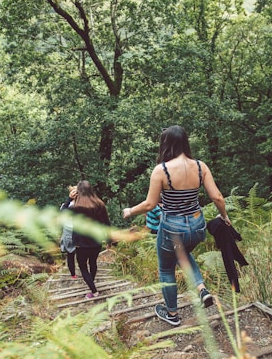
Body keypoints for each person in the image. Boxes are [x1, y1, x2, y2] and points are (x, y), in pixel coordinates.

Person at [123, 125, 231, 326]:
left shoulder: (161, 170)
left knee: (166, 268)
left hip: (173, 227)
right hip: (198, 225)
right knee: (182, 254)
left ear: (165, 144)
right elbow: (217, 196)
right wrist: (224, 216)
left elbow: (150, 204)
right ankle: (201, 289)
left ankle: (172, 314)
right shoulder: (201, 167)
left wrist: (130, 211)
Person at [70, 180, 111, 299]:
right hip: (96, 241)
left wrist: (69, 199)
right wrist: (109, 240)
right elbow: (107, 224)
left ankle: (94, 290)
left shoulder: (76, 207)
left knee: (83, 267)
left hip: (81, 243)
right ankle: (91, 284)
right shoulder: (100, 204)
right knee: (93, 263)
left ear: (78, 191)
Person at [59, 186, 78, 279]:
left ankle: (84, 271)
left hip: (79, 233)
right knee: (70, 254)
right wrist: (69, 199)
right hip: (68, 233)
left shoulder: (83, 205)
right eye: (74, 192)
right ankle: (73, 274)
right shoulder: (65, 205)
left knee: (82, 254)